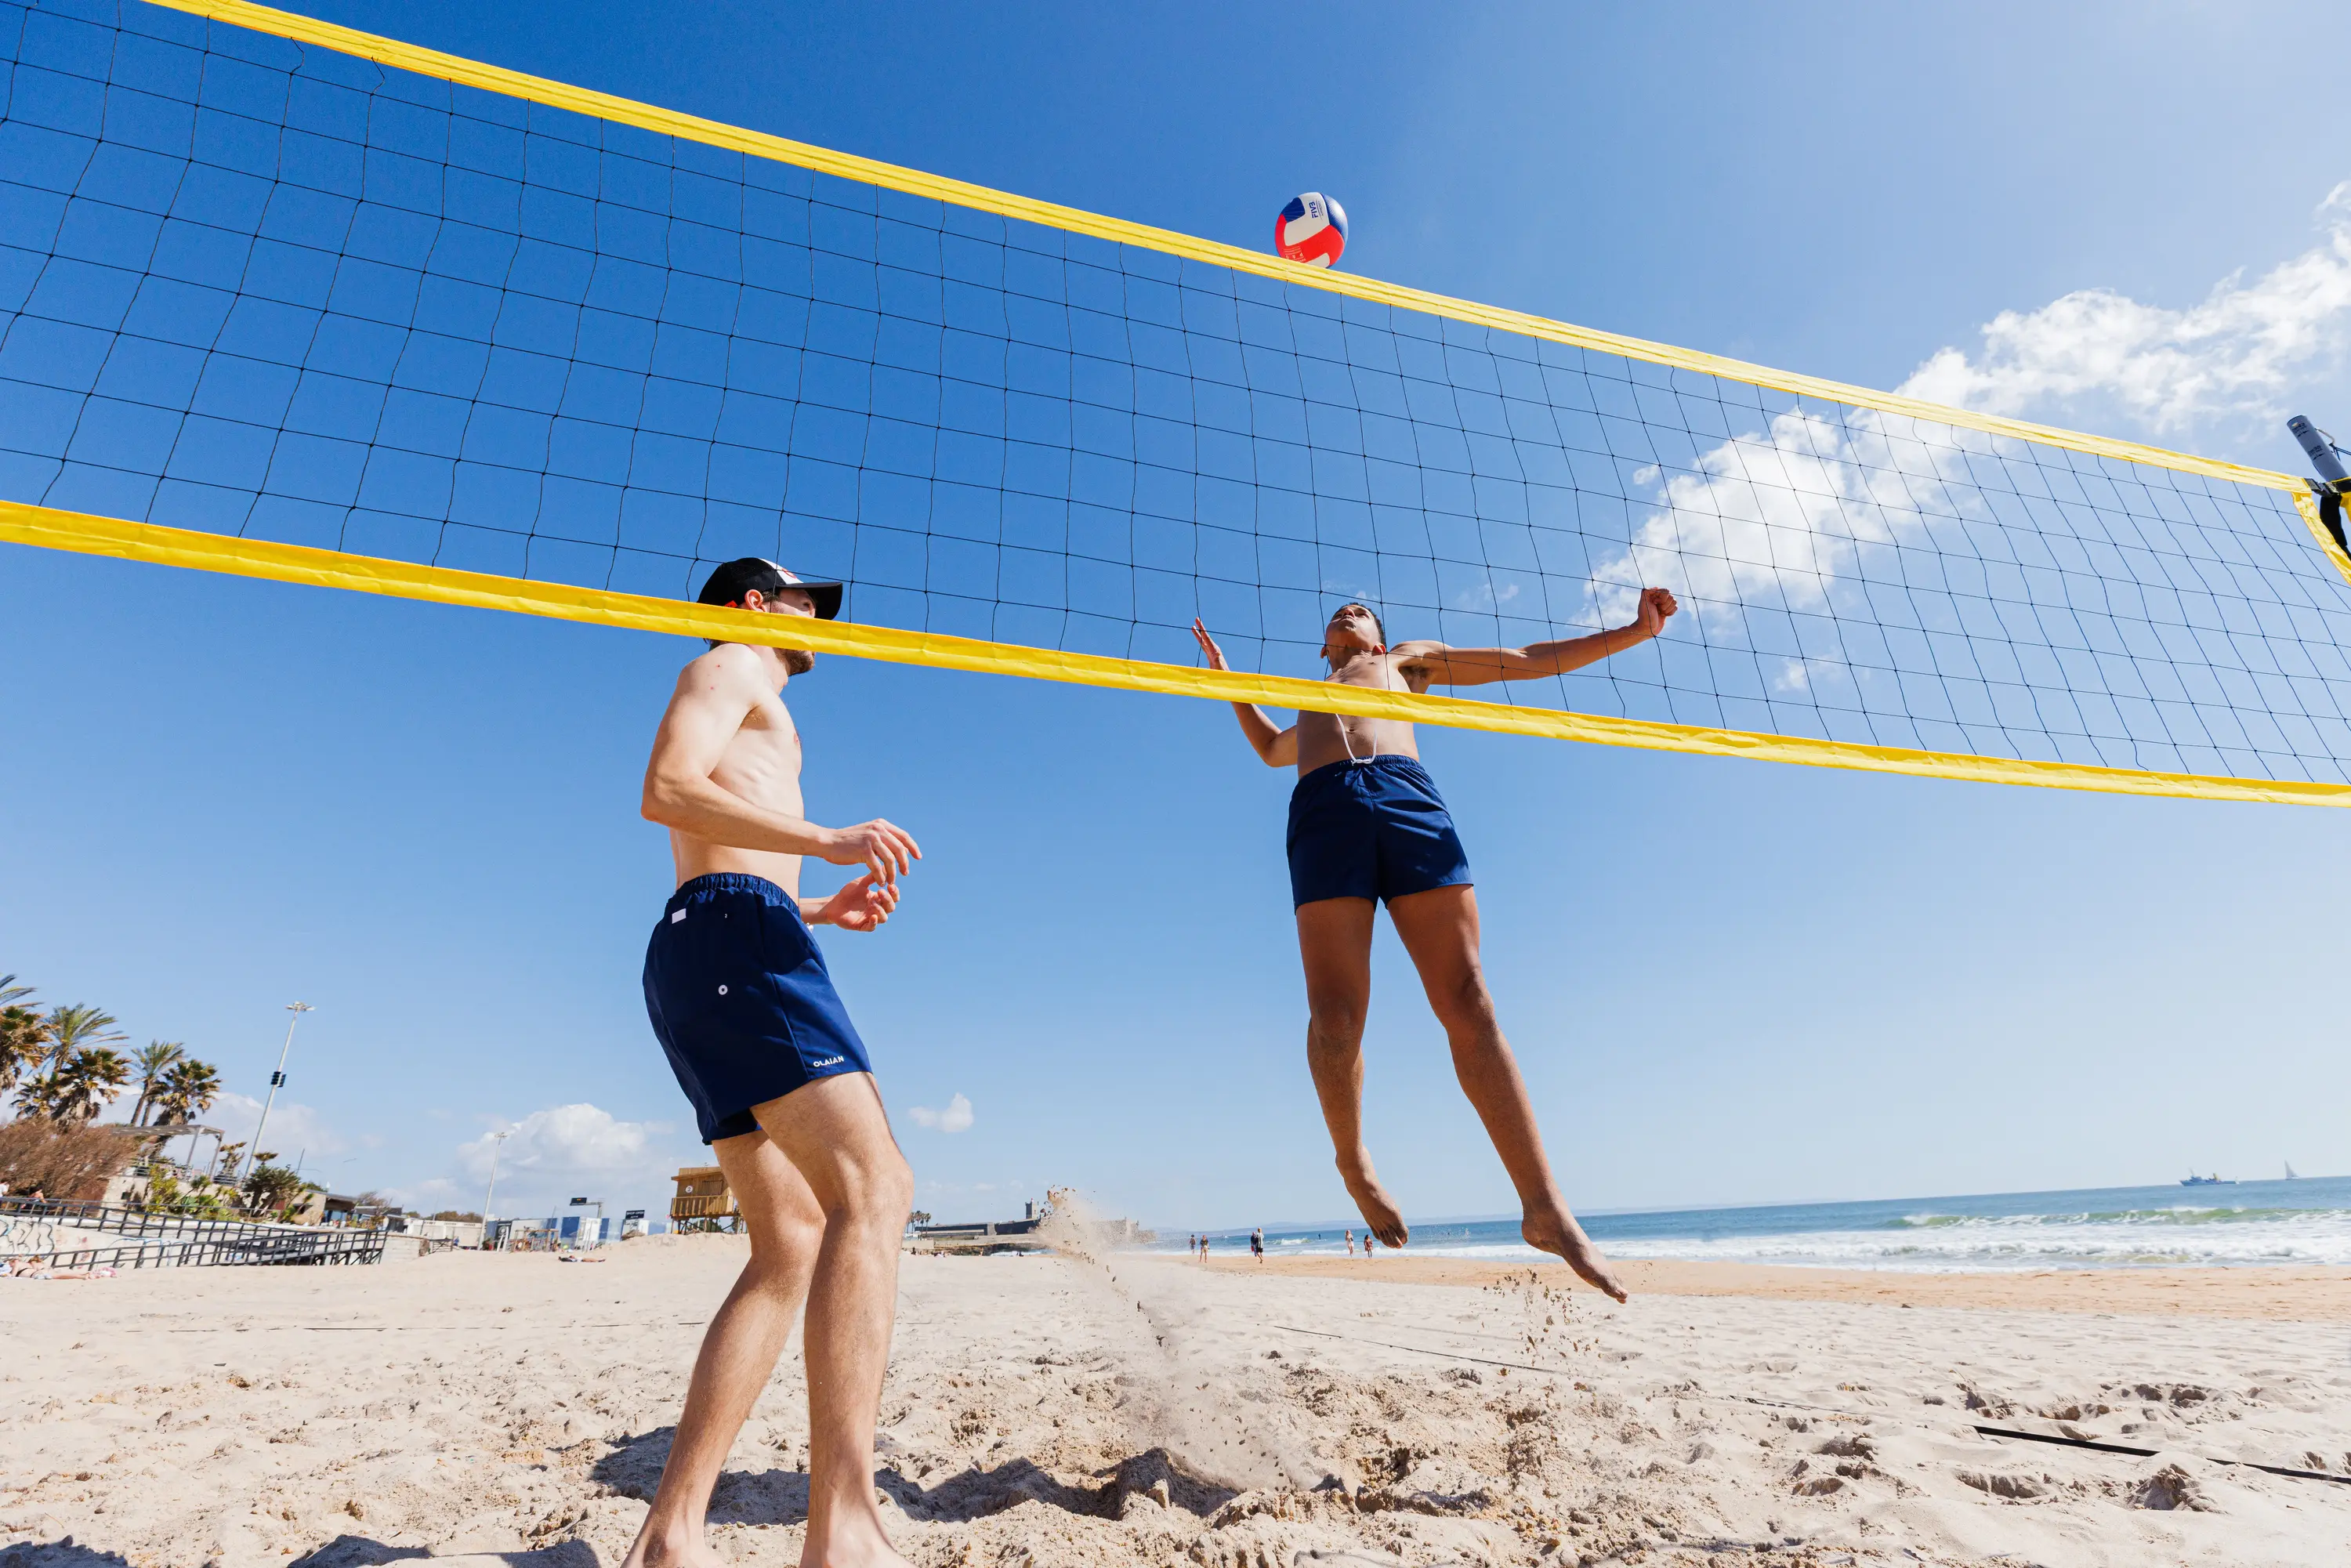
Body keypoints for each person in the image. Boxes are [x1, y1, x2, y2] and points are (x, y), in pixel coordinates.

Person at [1191, 593, 1679, 1304]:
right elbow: (1272, 750)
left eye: (1362, 609)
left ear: (1378, 635)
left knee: (1468, 997)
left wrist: (1636, 632)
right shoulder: (1305, 697)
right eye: (1339, 610)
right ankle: (1353, 1161)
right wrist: (1229, 681)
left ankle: (1545, 1207)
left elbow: (1525, 662)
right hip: (1324, 808)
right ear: (1324, 644)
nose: (1351, 609)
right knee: (1335, 1017)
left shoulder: (1403, 664)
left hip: (1405, 796)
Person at [626, 559, 922, 1568]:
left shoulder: (756, 696)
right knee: (874, 1187)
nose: (821, 622)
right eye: (808, 604)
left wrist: (819, 904)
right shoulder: (731, 665)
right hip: (733, 941)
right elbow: (665, 791)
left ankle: (672, 1533)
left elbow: (722, 850)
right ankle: (842, 1527)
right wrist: (828, 838)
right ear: (757, 604)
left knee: (791, 1238)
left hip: (709, 942)